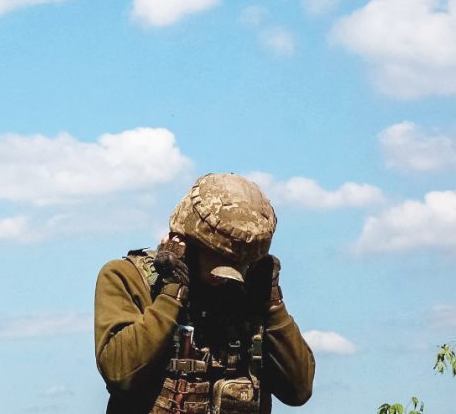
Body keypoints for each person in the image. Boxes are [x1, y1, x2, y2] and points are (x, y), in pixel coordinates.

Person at [94, 173, 314, 413]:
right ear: (184, 242)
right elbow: (119, 373)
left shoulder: (250, 293)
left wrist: (273, 306)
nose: (223, 281)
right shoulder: (129, 277)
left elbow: (298, 391)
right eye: (218, 264)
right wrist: (171, 295)